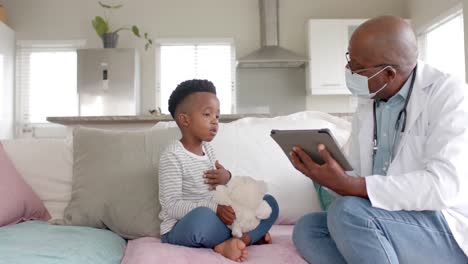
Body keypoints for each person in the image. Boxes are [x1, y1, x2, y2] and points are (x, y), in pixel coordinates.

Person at [291, 16, 468, 264]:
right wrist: (325, 175)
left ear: (389, 73)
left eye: (357, 67)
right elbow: (357, 174)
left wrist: (352, 186)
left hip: (444, 227)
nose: (349, 72)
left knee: (347, 213)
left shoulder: (449, 94)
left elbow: (443, 187)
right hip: (385, 221)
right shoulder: (370, 102)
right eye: (348, 61)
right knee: (309, 228)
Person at [158, 79, 279, 262]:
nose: (215, 121)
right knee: (202, 219)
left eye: (217, 116)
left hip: (218, 220)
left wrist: (227, 178)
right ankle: (237, 241)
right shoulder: (172, 156)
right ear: (185, 120)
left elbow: (222, 191)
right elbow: (172, 206)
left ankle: (241, 240)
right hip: (183, 227)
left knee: (269, 203)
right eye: (207, 114)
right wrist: (214, 209)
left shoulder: (208, 151)